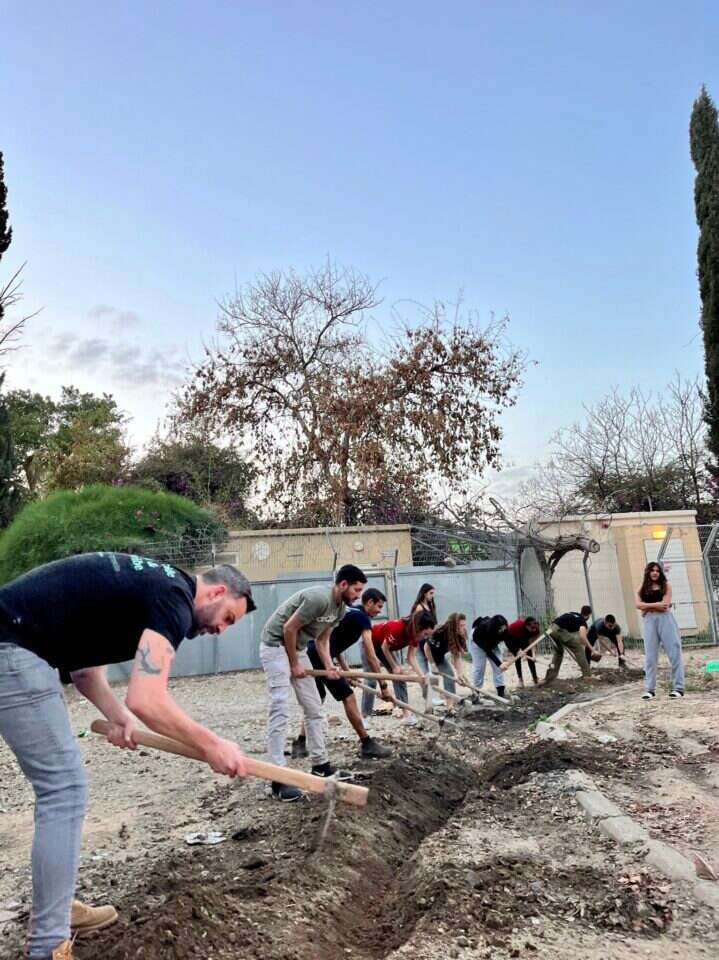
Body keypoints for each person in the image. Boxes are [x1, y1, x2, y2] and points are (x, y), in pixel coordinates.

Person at [0, 552, 255, 960]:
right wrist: (213, 745)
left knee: (62, 789)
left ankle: (57, 908)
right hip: (12, 649)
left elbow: (86, 673)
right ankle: (48, 944)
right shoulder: (174, 597)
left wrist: (118, 717)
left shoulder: (152, 587)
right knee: (63, 790)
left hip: (16, 645)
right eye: (227, 618)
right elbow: (148, 698)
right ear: (217, 591)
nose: (221, 631)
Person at [259, 564, 366, 801]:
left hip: (297, 648)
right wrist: (295, 663)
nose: (359, 596)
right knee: (280, 706)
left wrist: (328, 666)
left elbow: (322, 639)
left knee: (314, 706)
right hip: (275, 646)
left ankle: (320, 765)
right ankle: (277, 777)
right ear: (343, 584)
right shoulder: (319, 598)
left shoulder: (339, 610)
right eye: (356, 590)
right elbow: (289, 628)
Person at [292, 588, 392, 760]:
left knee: (318, 699)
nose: (379, 611)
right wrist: (384, 686)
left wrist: (346, 671)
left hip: (312, 654)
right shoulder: (362, 618)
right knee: (348, 696)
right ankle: (366, 743)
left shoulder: (350, 614)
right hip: (317, 656)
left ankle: (300, 743)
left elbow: (335, 643)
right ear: (369, 603)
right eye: (379, 606)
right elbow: (371, 655)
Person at [361, 611, 435, 726]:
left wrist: (422, 676)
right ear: (418, 627)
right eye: (425, 634)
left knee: (400, 677)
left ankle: (406, 715)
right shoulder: (399, 628)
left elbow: (411, 658)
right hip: (370, 642)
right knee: (371, 679)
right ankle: (365, 717)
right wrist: (394, 666)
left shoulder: (416, 635)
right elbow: (384, 647)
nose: (425, 638)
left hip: (385, 647)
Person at [635, 562, 685, 700]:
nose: (655, 573)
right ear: (648, 572)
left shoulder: (666, 586)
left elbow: (664, 606)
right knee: (650, 656)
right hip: (649, 622)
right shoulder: (642, 587)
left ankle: (678, 688)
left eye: (657, 570)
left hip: (665, 620)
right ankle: (650, 689)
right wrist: (654, 605)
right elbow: (637, 604)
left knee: (674, 652)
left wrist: (646, 608)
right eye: (652, 570)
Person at [544, 605, 597, 684]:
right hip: (559, 630)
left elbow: (566, 626)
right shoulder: (582, 621)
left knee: (559, 653)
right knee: (578, 648)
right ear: (589, 615)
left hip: (551, 629)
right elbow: (583, 638)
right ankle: (587, 675)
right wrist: (593, 650)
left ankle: (549, 678)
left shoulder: (573, 614)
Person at [423, 612, 470, 697]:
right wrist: (433, 664)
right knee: (430, 678)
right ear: (454, 625)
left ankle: (450, 705)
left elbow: (456, 656)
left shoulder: (458, 634)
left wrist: (460, 674)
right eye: (461, 625)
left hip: (439, 654)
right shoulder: (439, 632)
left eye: (464, 625)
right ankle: (430, 701)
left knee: (449, 674)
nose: (464, 628)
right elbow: (426, 648)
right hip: (424, 652)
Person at [411, 584, 442, 704]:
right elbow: (417, 625)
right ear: (424, 593)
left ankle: (433, 696)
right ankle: (429, 698)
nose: (432, 596)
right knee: (425, 670)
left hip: (429, 639)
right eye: (431, 593)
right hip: (422, 640)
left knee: (431, 668)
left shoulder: (430, 606)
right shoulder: (419, 607)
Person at [470, 615, 509, 700]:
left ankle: (501, 692)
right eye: (500, 629)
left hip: (492, 643)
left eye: (504, 628)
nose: (502, 630)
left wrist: (517, 651)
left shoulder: (504, 629)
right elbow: (487, 649)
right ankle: (476, 693)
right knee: (479, 668)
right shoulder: (482, 629)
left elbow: (508, 640)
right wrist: (499, 663)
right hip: (478, 642)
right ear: (494, 628)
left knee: (499, 668)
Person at [505, 616, 542, 686]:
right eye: (532, 628)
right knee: (517, 657)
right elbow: (508, 641)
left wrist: (533, 655)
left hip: (524, 638)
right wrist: (517, 650)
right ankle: (520, 680)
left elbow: (533, 642)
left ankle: (535, 679)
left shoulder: (535, 629)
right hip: (512, 639)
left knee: (530, 656)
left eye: (535, 628)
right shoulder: (516, 627)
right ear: (526, 626)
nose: (534, 630)